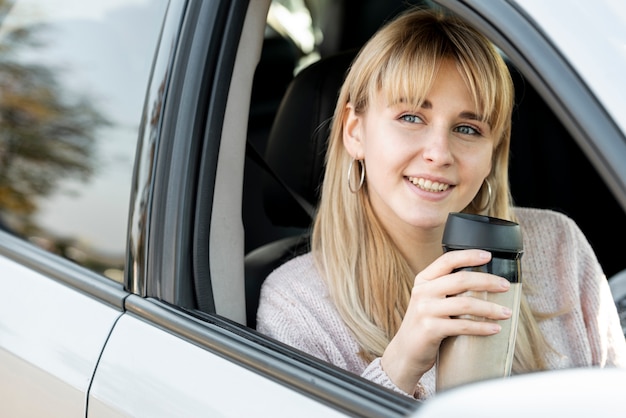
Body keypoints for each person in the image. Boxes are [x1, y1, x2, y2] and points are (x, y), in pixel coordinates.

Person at [256, 6, 626, 400]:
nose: (439, 152)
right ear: (355, 131)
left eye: (467, 128)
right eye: (411, 117)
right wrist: (397, 367)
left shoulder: (558, 247)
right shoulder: (295, 306)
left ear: (492, 154)